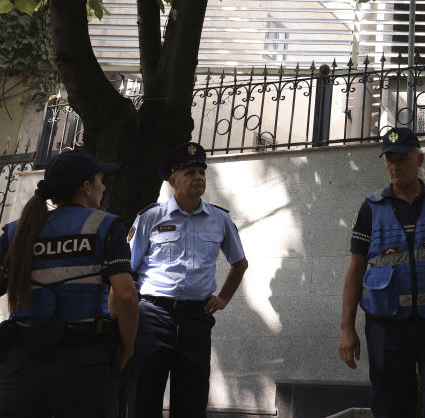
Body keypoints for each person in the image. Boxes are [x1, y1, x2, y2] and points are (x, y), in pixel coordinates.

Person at [338, 126, 425, 418]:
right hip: (386, 329)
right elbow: (355, 270)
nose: (394, 165)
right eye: (389, 158)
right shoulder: (371, 208)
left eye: (402, 158)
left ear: (419, 159)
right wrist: (346, 328)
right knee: (391, 409)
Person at [0, 148, 139, 417]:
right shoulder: (106, 226)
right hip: (85, 366)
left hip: (22, 367)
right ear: (86, 187)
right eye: (100, 179)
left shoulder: (17, 230)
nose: (104, 186)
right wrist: (127, 349)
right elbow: (126, 296)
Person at [127, 141, 248, 418]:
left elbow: (240, 263)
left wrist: (223, 298)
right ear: (173, 181)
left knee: (192, 402)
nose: (198, 177)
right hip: (153, 317)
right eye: (190, 172)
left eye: (201, 172)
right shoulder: (150, 217)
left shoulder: (219, 219)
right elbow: (126, 269)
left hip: (196, 320)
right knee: (144, 397)